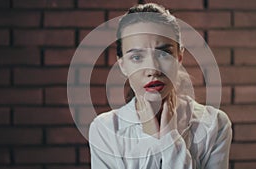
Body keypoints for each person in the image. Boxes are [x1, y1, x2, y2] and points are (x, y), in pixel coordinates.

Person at [89, 3, 232, 169]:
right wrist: (153, 141)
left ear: (179, 57)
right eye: (136, 57)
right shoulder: (105, 129)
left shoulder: (214, 124)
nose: (152, 69)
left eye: (164, 53)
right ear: (122, 66)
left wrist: (169, 137)